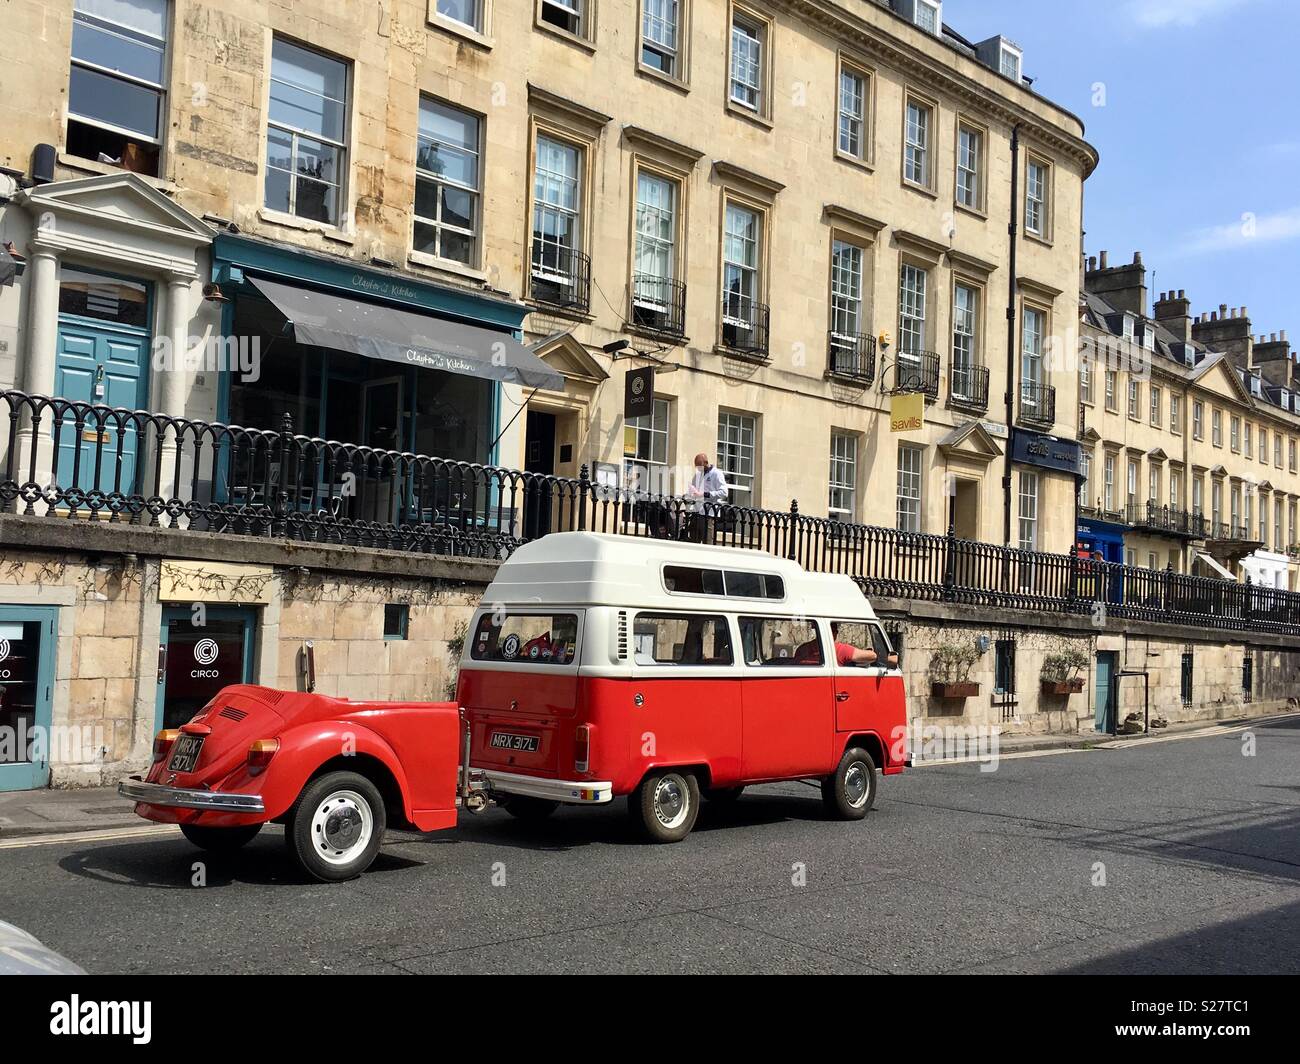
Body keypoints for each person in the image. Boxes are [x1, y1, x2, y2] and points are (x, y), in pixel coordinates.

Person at [684, 453, 728, 542]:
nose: (698, 469)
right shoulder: (698, 475)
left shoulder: (717, 473)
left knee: (707, 541)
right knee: (693, 541)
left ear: (706, 462)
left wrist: (705, 494)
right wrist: (688, 495)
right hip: (696, 512)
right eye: (697, 467)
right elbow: (693, 490)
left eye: (700, 466)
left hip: (709, 514)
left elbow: (724, 493)